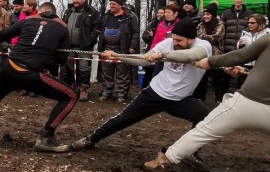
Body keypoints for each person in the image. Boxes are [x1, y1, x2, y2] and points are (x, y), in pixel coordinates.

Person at [141, 21, 270, 172]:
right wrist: (244, 71)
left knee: (204, 129)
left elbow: (241, 55)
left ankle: (164, 161)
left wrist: (210, 62)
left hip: (249, 103)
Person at [0, 2, 79, 152]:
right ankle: (46, 137)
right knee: (71, 96)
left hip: (9, 67)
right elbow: (62, 59)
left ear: (40, 11)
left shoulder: (28, 21)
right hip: (32, 74)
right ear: (55, 13)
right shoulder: (62, 28)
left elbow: (2, 34)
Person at [69, 20, 211, 151]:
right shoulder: (166, 44)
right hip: (156, 92)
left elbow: (191, 56)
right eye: (174, 38)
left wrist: (163, 55)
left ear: (191, 39)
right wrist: (118, 56)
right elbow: (143, 60)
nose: (175, 43)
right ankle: (91, 139)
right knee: (123, 118)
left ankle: (189, 151)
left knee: (204, 117)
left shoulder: (203, 46)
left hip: (181, 99)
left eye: (179, 40)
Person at [97, 0, 139, 103]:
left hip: (122, 48)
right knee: (106, 72)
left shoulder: (130, 16)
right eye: (110, 4)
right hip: (107, 47)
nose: (111, 6)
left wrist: (132, 46)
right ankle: (106, 92)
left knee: (122, 72)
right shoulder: (107, 16)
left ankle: (121, 93)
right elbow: (101, 30)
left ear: (120, 5)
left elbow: (135, 32)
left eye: (114, 4)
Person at [193, 3, 226, 103]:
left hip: (216, 54)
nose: (205, 16)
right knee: (202, 77)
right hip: (203, 54)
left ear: (213, 15)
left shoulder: (220, 24)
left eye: (208, 14)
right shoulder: (201, 24)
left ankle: (219, 99)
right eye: (204, 14)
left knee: (217, 78)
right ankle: (200, 98)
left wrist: (204, 37)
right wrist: (205, 37)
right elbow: (198, 37)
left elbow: (216, 38)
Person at [142, 5, 180, 90]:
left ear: (175, 13)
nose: (166, 14)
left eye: (168, 12)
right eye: (165, 12)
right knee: (156, 75)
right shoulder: (161, 24)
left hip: (172, 56)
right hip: (159, 55)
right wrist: (151, 52)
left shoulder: (179, 24)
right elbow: (155, 39)